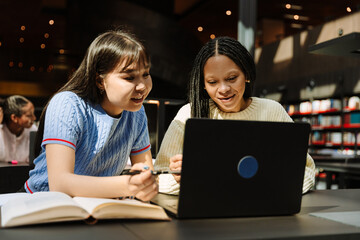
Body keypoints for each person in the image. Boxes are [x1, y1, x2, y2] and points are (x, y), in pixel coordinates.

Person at [154, 36, 316, 195]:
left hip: (264, 212)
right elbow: (158, 178)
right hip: (206, 215)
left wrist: (272, 189)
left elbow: (306, 169)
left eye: (231, 78)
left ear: (246, 74)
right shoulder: (188, 114)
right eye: (212, 82)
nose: (223, 89)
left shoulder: (272, 111)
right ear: (202, 84)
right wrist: (186, 178)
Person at [24, 30, 158, 201]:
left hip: (98, 206)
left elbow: (146, 172)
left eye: (145, 74)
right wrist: (128, 185)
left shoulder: (136, 113)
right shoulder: (68, 105)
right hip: (42, 203)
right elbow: (60, 184)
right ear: (100, 81)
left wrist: (147, 182)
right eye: (129, 77)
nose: (142, 87)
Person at [0, 95, 38, 163]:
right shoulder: (1, 130)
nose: (34, 118)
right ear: (14, 118)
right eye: (29, 115)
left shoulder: (33, 130)